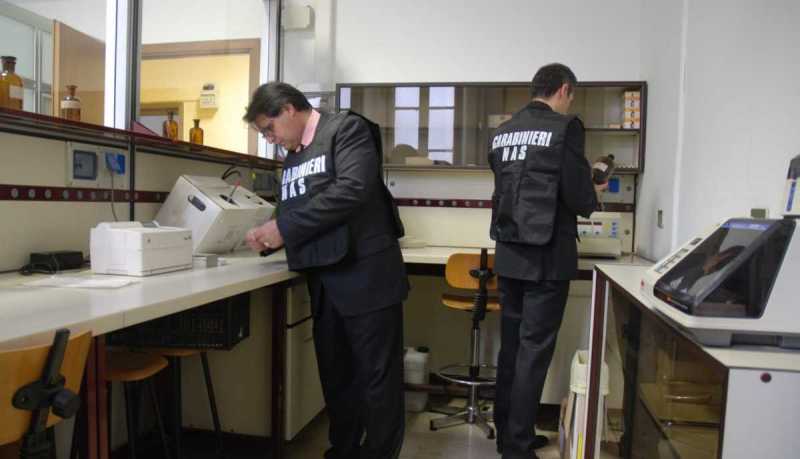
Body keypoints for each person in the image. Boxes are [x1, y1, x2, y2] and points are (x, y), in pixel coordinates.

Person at [242, 82, 409, 459]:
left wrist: (283, 229)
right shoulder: (293, 156)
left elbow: (352, 190)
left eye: (268, 128)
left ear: (288, 108)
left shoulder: (346, 130)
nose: (269, 139)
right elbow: (298, 209)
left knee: (377, 378)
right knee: (337, 377)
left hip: (367, 275)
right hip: (325, 281)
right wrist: (271, 235)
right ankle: (343, 450)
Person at [488, 63, 603, 459]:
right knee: (533, 353)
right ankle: (518, 447)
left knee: (511, 350)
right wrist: (594, 186)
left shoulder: (503, 131)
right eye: (571, 96)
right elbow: (579, 197)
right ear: (564, 90)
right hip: (547, 256)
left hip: (509, 253)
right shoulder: (565, 127)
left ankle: (507, 436)